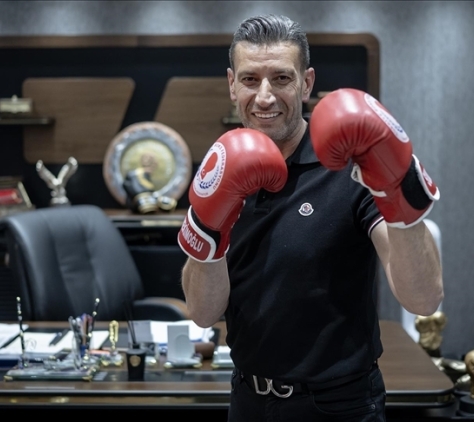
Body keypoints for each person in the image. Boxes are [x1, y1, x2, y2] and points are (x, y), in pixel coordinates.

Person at [177, 14, 443, 422]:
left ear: (306, 82)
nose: (264, 97)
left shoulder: (348, 168)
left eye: (281, 78)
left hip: (338, 405)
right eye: (250, 80)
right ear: (232, 84)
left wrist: (396, 185)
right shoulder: (221, 167)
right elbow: (202, 312)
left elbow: (423, 299)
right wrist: (209, 227)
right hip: (248, 400)